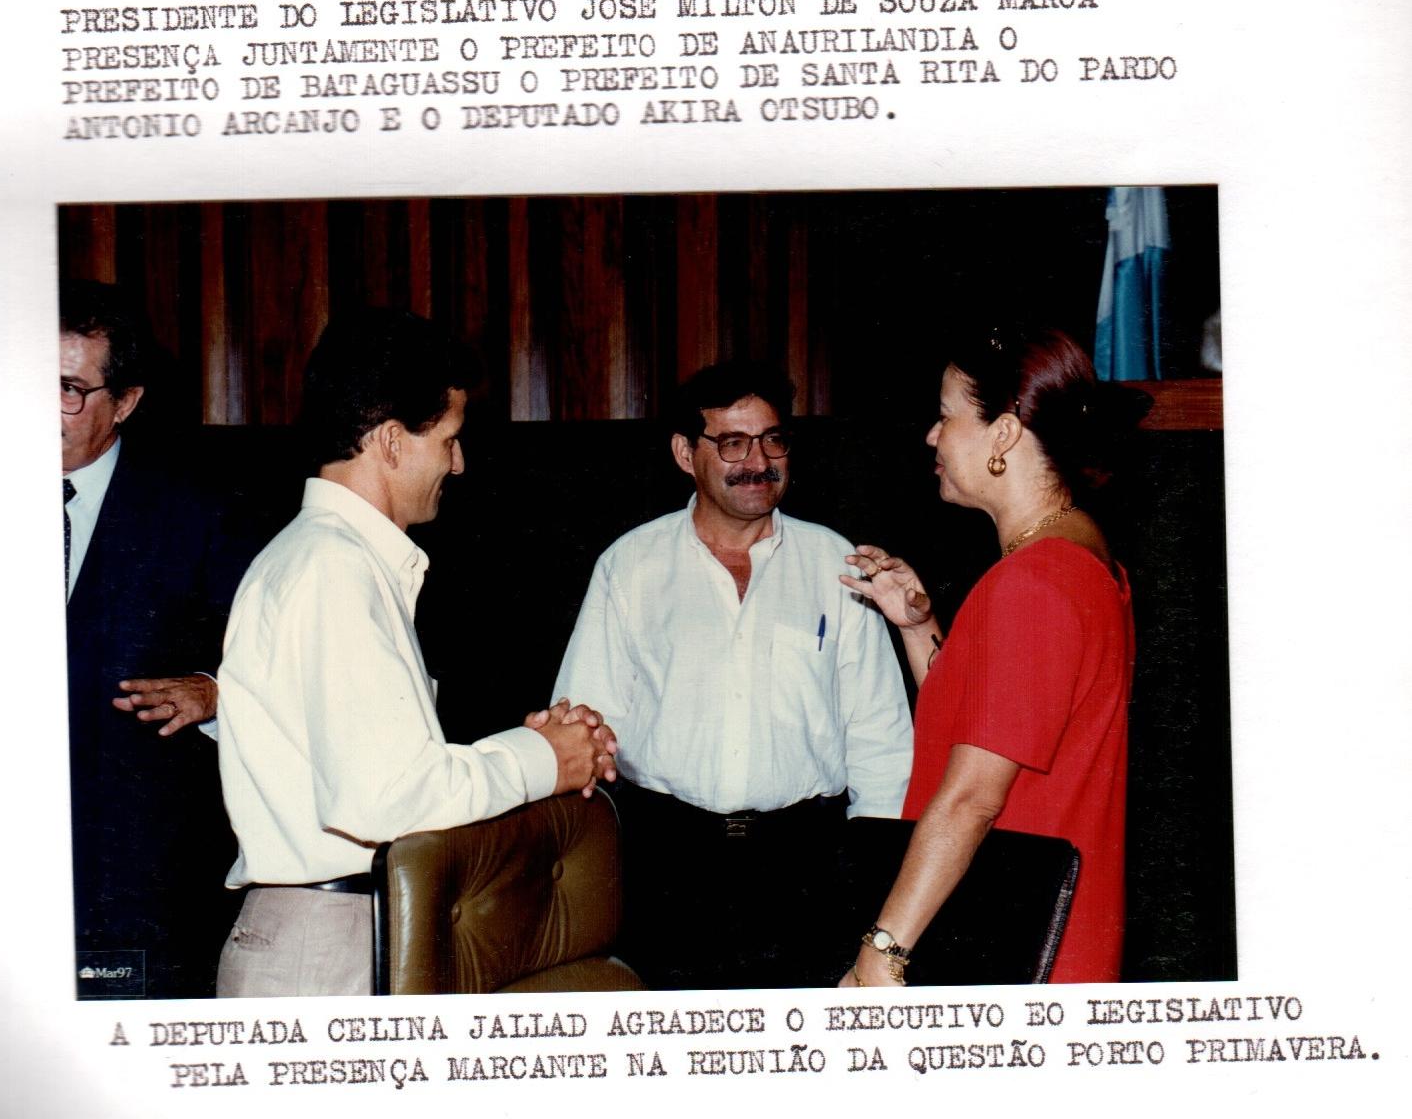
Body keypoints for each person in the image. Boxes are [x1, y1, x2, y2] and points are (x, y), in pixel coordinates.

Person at [214, 310, 616, 998]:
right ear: (392, 441)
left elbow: (391, 774)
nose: (458, 463)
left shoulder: (338, 561)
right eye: (449, 439)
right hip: (329, 944)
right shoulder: (332, 568)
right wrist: (545, 759)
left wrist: (538, 750)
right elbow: (388, 798)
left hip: (350, 929)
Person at [553, 359, 912, 989]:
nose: (758, 461)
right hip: (666, 868)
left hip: (807, 871)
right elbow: (584, 730)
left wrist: (877, 890)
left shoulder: (837, 564)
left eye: (773, 440)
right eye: (732, 443)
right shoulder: (630, 567)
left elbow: (882, 743)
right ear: (684, 454)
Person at [839, 324, 1145, 988]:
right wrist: (918, 626)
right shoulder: (1083, 562)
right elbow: (986, 732)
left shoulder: (1031, 584)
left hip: (1016, 950)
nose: (932, 437)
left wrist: (882, 952)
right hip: (1048, 937)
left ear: (1003, 435)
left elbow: (973, 797)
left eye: (946, 416)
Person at [60, 279, 262, 998]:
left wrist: (213, 691)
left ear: (126, 402)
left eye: (68, 389)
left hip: (133, 886)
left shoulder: (197, 513)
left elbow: (276, 657)